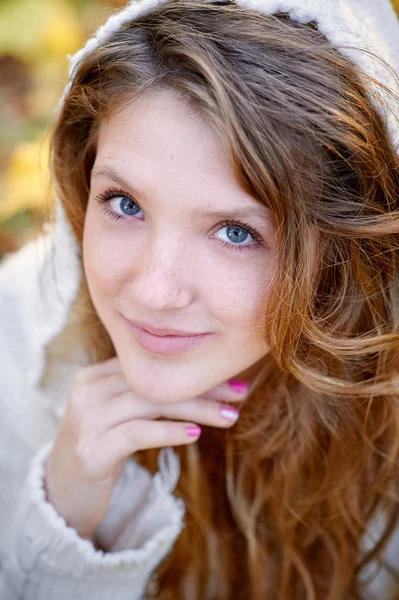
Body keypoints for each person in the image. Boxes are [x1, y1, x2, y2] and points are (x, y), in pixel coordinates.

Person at [0, 0, 399, 598]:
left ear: (342, 250)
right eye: (125, 204)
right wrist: (64, 518)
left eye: (237, 233)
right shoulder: (15, 349)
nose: (155, 293)